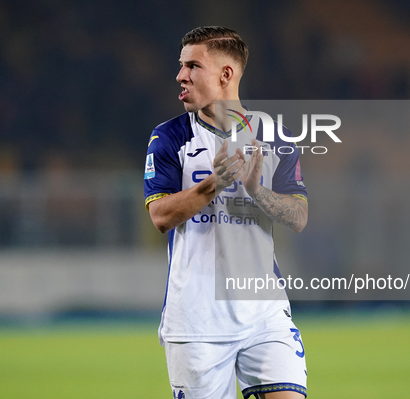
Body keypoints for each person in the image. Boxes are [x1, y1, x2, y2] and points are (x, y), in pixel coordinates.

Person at [144, 26, 309, 399]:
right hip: (197, 323)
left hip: (264, 316)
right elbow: (160, 217)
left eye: (192, 66)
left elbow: (298, 217)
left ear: (226, 75)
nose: (180, 75)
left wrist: (256, 191)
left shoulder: (275, 137)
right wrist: (212, 184)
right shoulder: (169, 138)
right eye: (181, 65)